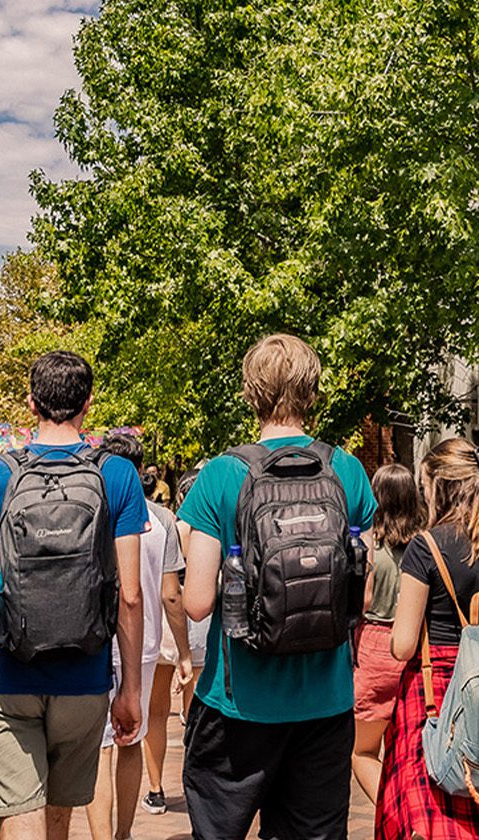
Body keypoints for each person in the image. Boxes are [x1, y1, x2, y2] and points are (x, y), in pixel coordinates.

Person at [180, 334, 376, 840]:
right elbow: (365, 597)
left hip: (238, 705)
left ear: (251, 393)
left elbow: (198, 604)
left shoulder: (222, 474)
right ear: (313, 393)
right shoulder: (347, 470)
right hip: (325, 706)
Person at [0, 351, 148, 840]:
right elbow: (129, 595)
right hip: (84, 679)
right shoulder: (117, 475)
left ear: (31, 403)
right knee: (59, 818)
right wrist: (130, 689)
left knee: (20, 816)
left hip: (8, 679)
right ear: (88, 402)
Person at [378, 439, 479, 840]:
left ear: (440, 486)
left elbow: (403, 645)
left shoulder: (426, 546)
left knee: (425, 820)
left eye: (426, 486)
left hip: (432, 696)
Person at [86, 433, 193, 840]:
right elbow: (170, 592)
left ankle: (101, 837)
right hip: (144, 645)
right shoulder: (162, 520)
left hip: (98, 642)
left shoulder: (95, 509)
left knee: (101, 747)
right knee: (132, 740)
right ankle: (124, 833)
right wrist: (182, 651)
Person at [351, 463, 427, 806]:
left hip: (373, 650)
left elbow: (364, 599)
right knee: (405, 750)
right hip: (412, 652)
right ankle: (410, 806)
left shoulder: (371, 548)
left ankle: (397, 808)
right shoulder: (423, 547)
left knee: (362, 752)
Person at [143, 469, 208, 815]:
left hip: (166, 623)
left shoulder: (172, 525)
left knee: (155, 712)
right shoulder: (212, 529)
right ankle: (197, 784)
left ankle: (155, 789)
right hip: (201, 623)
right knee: (196, 713)